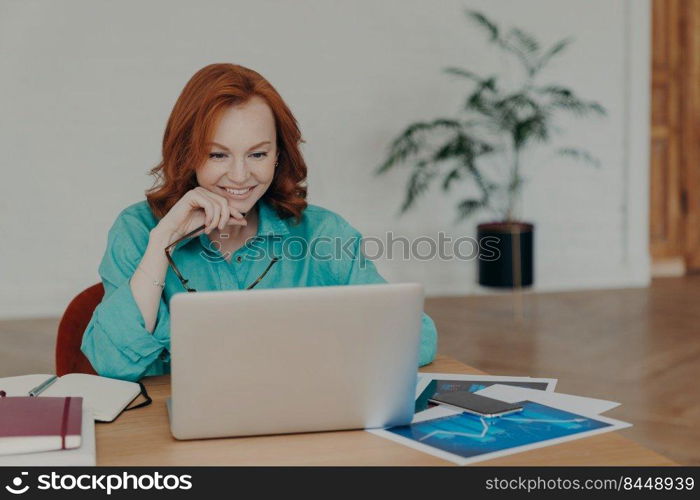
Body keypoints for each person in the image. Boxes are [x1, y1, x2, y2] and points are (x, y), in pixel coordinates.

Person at [81, 63, 438, 382]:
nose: (240, 175)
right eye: (218, 154)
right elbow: (111, 361)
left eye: (257, 154)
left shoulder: (324, 233)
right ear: (188, 153)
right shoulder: (137, 229)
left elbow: (417, 338)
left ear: (278, 155)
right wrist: (161, 243)